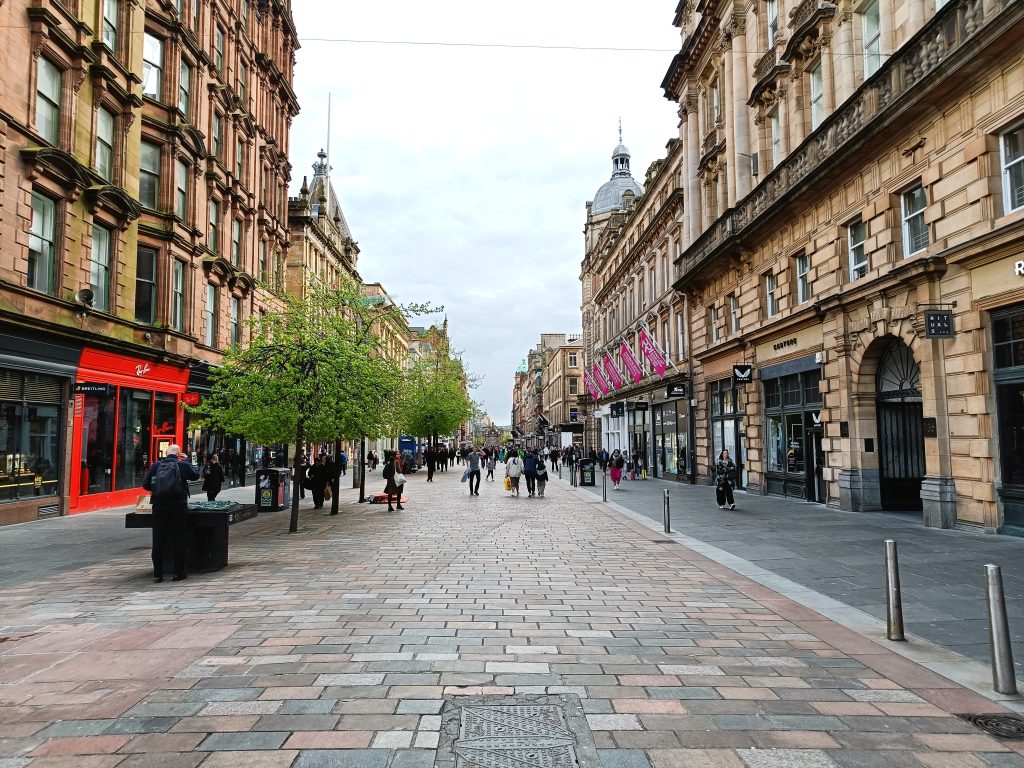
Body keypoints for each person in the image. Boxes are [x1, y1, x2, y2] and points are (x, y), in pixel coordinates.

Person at [142, 444, 199, 583]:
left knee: (158, 539)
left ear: (166, 453)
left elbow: (145, 485)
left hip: (159, 505)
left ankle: (158, 575)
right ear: (178, 454)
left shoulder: (156, 465)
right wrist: (188, 462)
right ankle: (177, 573)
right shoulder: (182, 465)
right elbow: (196, 476)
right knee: (179, 538)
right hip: (178, 505)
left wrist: (158, 490)